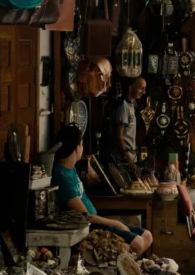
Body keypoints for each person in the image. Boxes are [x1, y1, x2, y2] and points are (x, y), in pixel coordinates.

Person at [52, 126, 154, 255]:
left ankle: (127, 264)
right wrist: (115, 222)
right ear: (77, 148)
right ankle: (124, 266)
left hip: (97, 219)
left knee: (147, 236)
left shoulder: (70, 168)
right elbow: (85, 217)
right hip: (90, 226)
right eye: (82, 144)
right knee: (137, 242)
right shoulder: (62, 176)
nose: (82, 148)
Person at [113, 77, 146, 165]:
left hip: (132, 157)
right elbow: (119, 136)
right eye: (140, 88)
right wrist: (127, 156)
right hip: (123, 160)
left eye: (144, 88)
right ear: (131, 88)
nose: (143, 91)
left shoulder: (133, 106)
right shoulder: (124, 106)